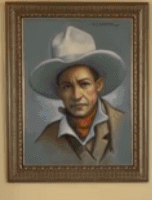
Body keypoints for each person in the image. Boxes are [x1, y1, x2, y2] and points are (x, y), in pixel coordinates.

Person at [27, 25, 130, 165]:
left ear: (98, 85)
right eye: (67, 86)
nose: (76, 95)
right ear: (59, 91)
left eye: (84, 84)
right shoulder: (46, 140)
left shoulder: (126, 127)